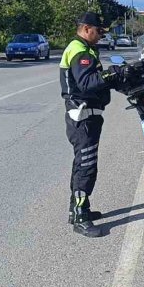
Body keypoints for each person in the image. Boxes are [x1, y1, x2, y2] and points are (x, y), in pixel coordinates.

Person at [59, 12, 124, 237]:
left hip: (87, 116)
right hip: (82, 117)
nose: (100, 35)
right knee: (86, 166)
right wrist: (110, 76)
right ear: (87, 29)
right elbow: (87, 84)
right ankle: (80, 218)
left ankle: (78, 208)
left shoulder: (84, 49)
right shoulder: (79, 51)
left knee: (82, 163)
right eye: (98, 31)